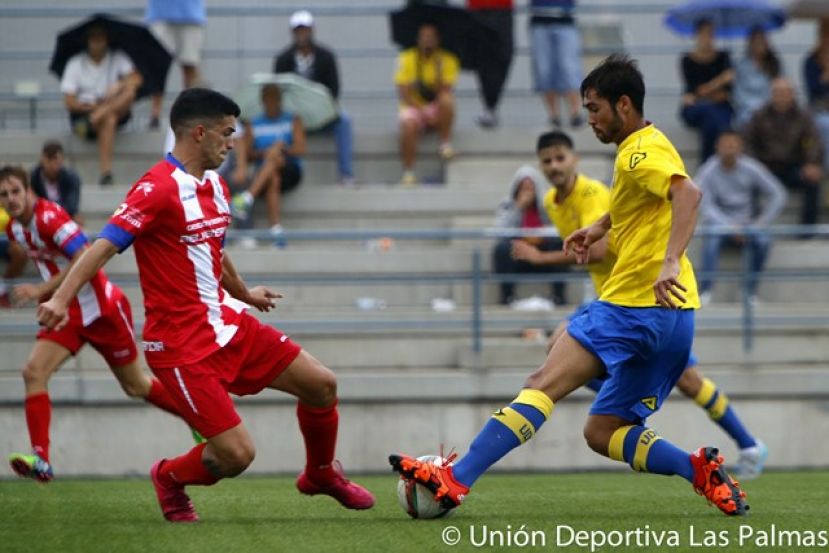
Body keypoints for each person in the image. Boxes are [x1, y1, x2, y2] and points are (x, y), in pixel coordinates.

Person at [390, 55, 749, 517]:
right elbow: (641, 203)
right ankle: (698, 470)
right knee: (602, 431)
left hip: (632, 305)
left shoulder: (640, 151)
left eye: (595, 109)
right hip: (676, 320)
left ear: (623, 104)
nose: (590, 120)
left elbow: (688, 193)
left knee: (543, 382)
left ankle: (454, 480)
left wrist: (670, 261)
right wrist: (599, 228)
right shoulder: (643, 149)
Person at [36, 88, 374, 522]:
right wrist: (61, 298)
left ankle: (321, 474)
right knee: (235, 456)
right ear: (200, 132)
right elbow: (102, 247)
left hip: (227, 324)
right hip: (179, 345)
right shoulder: (156, 188)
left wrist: (244, 293)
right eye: (227, 133)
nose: (233, 143)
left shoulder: (213, 184)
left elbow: (212, 248)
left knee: (322, 385)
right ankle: (168, 478)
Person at [514, 130, 768, 478]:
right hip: (614, 299)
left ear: (575, 159)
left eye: (561, 158)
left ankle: (750, 444)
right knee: (562, 349)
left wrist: (539, 259)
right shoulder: (551, 202)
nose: (555, 166)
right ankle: (636, 401)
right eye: (547, 161)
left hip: (642, 300)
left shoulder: (592, 194)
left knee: (690, 382)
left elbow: (601, 250)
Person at [0, 165, 189, 483]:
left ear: (30, 191)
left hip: (103, 310)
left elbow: (84, 255)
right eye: (4, 195)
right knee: (33, 372)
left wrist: (41, 290)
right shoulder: (15, 229)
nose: (11, 199)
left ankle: (199, 417)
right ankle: (41, 459)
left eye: (16, 191)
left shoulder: (50, 218)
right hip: (68, 313)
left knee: (136, 386)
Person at [697, 131, 787, 305]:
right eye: (725, 145)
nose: (729, 149)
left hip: (748, 224)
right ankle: (706, 290)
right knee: (711, 241)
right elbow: (704, 203)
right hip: (720, 223)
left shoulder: (751, 167)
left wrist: (762, 221)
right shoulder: (707, 170)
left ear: (741, 147)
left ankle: (749, 291)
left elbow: (778, 193)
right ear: (717, 147)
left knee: (763, 241)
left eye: (733, 144)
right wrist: (729, 226)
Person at [274, 10, 355, 185]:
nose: (302, 33)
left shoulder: (326, 56)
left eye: (305, 29)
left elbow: (334, 90)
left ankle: (346, 174)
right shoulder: (283, 59)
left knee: (344, 121)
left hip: (322, 114)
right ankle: (286, 173)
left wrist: (319, 110)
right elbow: (278, 92)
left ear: (311, 30)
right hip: (294, 117)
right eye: (298, 30)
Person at [60, 23, 142, 185]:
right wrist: (91, 107)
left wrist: (118, 85)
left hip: (108, 110)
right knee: (109, 119)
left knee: (129, 92)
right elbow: (69, 101)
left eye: (101, 39)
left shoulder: (117, 57)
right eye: (94, 39)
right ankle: (106, 172)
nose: (97, 43)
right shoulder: (75, 63)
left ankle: (100, 115)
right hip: (85, 115)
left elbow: (136, 79)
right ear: (88, 41)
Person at [743, 77, 823, 232]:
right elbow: (747, 142)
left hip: (793, 165)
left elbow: (814, 141)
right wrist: (754, 165)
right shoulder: (759, 115)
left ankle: (807, 231)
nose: (780, 97)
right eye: (777, 93)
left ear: (792, 95)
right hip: (765, 166)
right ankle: (752, 228)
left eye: (784, 93)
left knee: (813, 182)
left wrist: (812, 163)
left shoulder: (803, 116)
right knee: (748, 181)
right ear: (771, 94)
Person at [231, 84, 306, 247]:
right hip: (264, 171)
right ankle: (276, 231)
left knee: (276, 156)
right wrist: (265, 152)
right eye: (268, 98)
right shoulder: (254, 123)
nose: (272, 102)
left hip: (290, 169)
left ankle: (248, 197)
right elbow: (249, 153)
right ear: (263, 100)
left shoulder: (293, 119)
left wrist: (283, 147)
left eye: (275, 98)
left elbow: (300, 148)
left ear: (280, 100)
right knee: (273, 177)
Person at [493, 166, 568, 307]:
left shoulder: (549, 205)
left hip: (543, 254)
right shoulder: (507, 205)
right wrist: (519, 206)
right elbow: (500, 231)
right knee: (501, 250)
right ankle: (507, 297)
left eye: (530, 188)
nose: (527, 192)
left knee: (560, 245)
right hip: (518, 254)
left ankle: (559, 296)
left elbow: (559, 228)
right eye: (523, 188)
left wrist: (541, 236)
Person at [394, 23, 459, 186]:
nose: (428, 41)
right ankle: (408, 172)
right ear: (418, 40)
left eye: (431, 37)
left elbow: (445, 90)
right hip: (414, 107)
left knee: (447, 100)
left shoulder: (448, 60)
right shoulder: (406, 58)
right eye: (424, 37)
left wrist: (438, 73)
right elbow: (403, 91)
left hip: (435, 106)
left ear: (438, 40)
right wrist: (421, 111)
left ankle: (445, 145)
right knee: (408, 126)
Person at [679, 19, 734, 162]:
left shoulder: (723, 57)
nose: (707, 38)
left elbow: (725, 93)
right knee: (711, 114)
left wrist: (703, 94)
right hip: (697, 109)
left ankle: (708, 163)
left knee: (711, 118)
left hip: (717, 108)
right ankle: (715, 161)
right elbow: (696, 91)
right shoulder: (687, 60)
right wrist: (719, 81)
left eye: (710, 34)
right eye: (704, 34)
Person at [146, 0, 206, 129]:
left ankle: (190, 112)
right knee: (157, 66)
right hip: (160, 13)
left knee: (190, 64)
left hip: (191, 13)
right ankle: (155, 115)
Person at [529, 0, 584, 129]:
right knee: (544, 69)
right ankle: (554, 116)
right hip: (539, 17)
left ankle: (575, 113)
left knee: (569, 67)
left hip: (565, 16)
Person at [467, 0, 514, 128]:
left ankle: (492, 103)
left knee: (505, 54)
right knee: (483, 58)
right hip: (478, 8)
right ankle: (489, 106)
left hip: (502, 7)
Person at [733, 28, 782, 127]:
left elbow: (781, 87)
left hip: (771, 110)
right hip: (748, 111)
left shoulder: (776, 65)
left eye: (762, 40)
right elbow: (738, 93)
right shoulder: (741, 66)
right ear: (750, 43)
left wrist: (767, 106)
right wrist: (755, 106)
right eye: (757, 41)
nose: (760, 44)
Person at [29, 140, 83, 222]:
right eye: (48, 159)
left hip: (65, 218)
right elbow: (31, 204)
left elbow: (72, 207)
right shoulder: (34, 177)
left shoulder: (72, 177)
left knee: (78, 220)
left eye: (55, 158)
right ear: (42, 159)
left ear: (62, 159)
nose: (52, 163)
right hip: (41, 219)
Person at [803, 19, 829, 171]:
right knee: (826, 125)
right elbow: (812, 90)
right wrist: (825, 75)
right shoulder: (810, 61)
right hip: (818, 108)